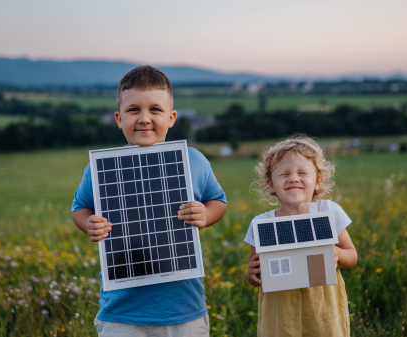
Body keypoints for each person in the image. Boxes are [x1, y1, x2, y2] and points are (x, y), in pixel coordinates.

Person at [71, 66, 227, 337]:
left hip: (185, 310)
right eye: (134, 110)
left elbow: (218, 201)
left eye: (155, 109)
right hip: (123, 314)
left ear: (171, 117)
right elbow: (80, 208)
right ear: (119, 119)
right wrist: (89, 224)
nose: (144, 118)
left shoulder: (194, 161)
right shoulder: (101, 168)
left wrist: (205, 214)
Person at [244, 134, 357, 337]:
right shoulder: (262, 224)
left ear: (317, 181)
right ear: (271, 184)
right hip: (281, 310)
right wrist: (251, 274)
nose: (294, 178)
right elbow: (255, 275)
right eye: (284, 174)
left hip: (322, 309)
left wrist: (337, 254)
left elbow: (352, 256)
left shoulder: (327, 211)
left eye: (302, 172)